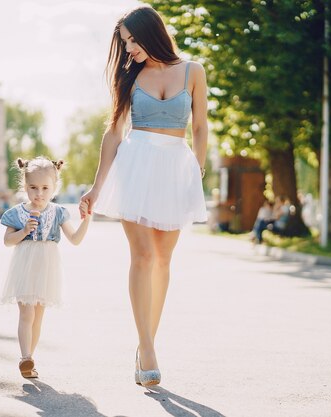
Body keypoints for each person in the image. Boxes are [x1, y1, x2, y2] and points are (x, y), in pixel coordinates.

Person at [80, 5, 208, 387]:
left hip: (176, 168)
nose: (129, 49)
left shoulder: (193, 71)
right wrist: (95, 186)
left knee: (164, 260)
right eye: (125, 43)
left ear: (152, 34)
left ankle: (145, 343)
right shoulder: (129, 76)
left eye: (133, 40)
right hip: (135, 166)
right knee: (144, 256)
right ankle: (148, 349)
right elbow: (114, 133)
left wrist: (196, 171)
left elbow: (200, 126)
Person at [0, 156, 92, 379]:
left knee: (38, 316)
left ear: (54, 188)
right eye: (33, 187)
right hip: (24, 265)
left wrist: (87, 218)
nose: (38, 193)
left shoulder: (58, 212)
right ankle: (25, 357)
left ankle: (31, 360)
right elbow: (7, 241)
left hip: (46, 267)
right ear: (25, 186)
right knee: (27, 312)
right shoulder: (17, 213)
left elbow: (75, 239)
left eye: (44, 188)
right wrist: (23, 232)